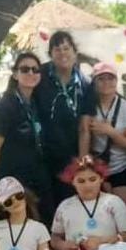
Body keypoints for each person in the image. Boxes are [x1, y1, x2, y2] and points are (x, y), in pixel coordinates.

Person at [0, 52, 55, 226]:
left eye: (35, 70)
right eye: (25, 69)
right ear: (15, 74)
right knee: (19, 230)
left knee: (43, 226)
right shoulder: (6, 106)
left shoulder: (36, 103)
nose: (31, 73)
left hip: (37, 176)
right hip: (13, 180)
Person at [33, 31, 96, 206]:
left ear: (75, 52)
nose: (62, 53)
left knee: (72, 206)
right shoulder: (39, 76)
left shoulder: (86, 84)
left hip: (71, 159)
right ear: (50, 54)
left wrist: (82, 165)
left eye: (66, 48)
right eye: (57, 49)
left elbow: (84, 128)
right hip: (43, 157)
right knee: (47, 208)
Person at [50, 156, 126, 250]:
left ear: (101, 179)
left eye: (92, 179)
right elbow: (55, 237)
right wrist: (63, 245)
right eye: (81, 181)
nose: (87, 185)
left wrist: (102, 241)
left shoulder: (114, 202)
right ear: (72, 182)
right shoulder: (65, 206)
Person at [86, 62, 126, 213]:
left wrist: (110, 131)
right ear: (94, 82)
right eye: (101, 79)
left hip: (123, 168)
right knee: (101, 216)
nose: (106, 83)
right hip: (98, 169)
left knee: (122, 215)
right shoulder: (89, 106)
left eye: (111, 78)